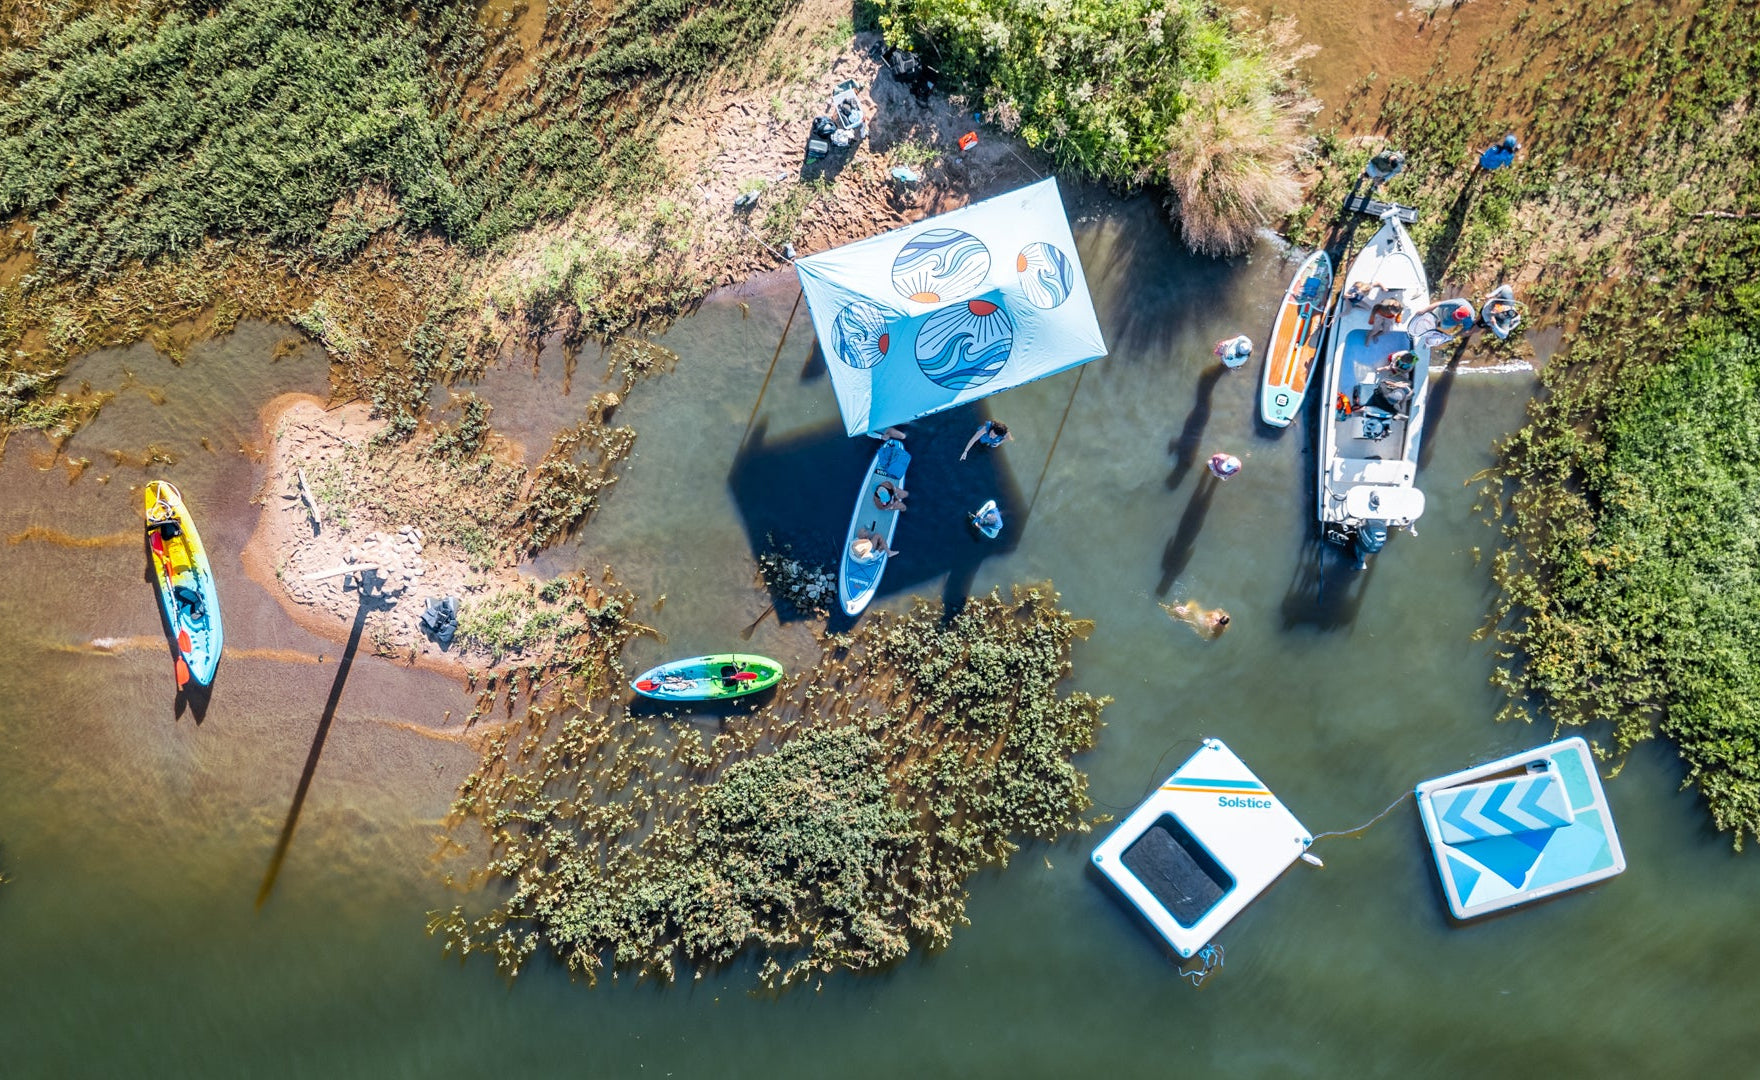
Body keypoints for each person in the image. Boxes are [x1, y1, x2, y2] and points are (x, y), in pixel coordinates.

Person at [1162, 600, 1232, 640]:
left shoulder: (1219, 628)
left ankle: (1168, 609)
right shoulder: (1215, 615)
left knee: (1182, 613)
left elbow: (1212, 637)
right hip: (1200, 619)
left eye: (1221, 623)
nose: (1219, 623)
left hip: (1199, 623)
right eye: (1220, 621)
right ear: (1220, 618)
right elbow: (1204, 613)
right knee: (1188, 609)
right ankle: (1178, 610)